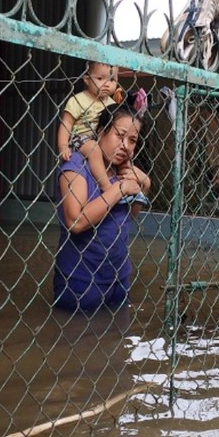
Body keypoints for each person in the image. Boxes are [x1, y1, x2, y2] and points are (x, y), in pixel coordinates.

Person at [53, 103, 151, 312]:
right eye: (120, 135)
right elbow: (76, 222)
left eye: (132, 140)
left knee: (116, 340)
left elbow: (128, 216)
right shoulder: (76, 166)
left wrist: (145, 186)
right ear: (101, 132)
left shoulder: (122, 171)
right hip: (80, 282)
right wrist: (119, 189)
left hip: (119, 279)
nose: (125, 146)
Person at [57, 61, 122, 194]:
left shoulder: (112, 103)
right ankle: (107, 187)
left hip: (102, 139)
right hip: (80, 139)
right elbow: (66, 123)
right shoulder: (78, 100)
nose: (107, 84)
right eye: (100, 78)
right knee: (93, 148)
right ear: (87, 80)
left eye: (112, 80)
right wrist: (63, 146)